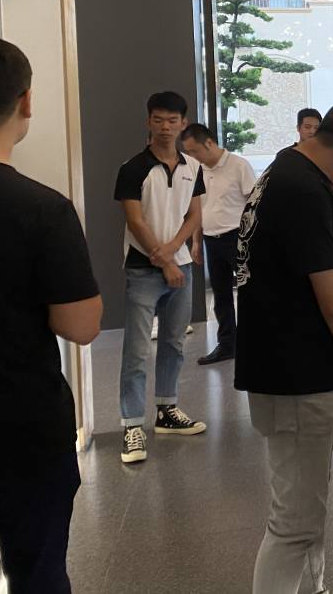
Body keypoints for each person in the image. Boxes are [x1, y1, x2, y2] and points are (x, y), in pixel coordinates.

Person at [0, 35, 102, 593]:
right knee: (38, 574)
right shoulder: (43, 209)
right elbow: (80, 326)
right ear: (26, 101)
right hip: (23, 429)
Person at [234, 98, 333, 594]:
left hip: (289, 367)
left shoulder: (294, 170)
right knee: (294, 524)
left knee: (306, 510)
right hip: (293, 373)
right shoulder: (300, 189)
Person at [114, 91, 207, 465]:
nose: (165, 127)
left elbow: (194, 215)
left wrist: (173, 252)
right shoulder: (133, 167)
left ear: (183, 124)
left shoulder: (192, 167)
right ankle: (132, 425)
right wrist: (163, 258)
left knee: (174, 342)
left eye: (172, 120)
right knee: (137, 350)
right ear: (148, 122)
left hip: (179, 265)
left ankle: (167, 410)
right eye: (158, 120)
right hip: (143, 269)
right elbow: (134, 220)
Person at [179, 123, 256, 364]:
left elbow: (254, 205)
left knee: (250, 293)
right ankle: (227, 345)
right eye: (188, 152)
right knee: (221, 296)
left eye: (194, 151)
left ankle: (255, 343)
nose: (192, 156)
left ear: (209, 143)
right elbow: (198, 209)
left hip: (238, 238)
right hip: (211, 240)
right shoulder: (198, 171)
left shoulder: (239, 166)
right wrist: (196, 241)